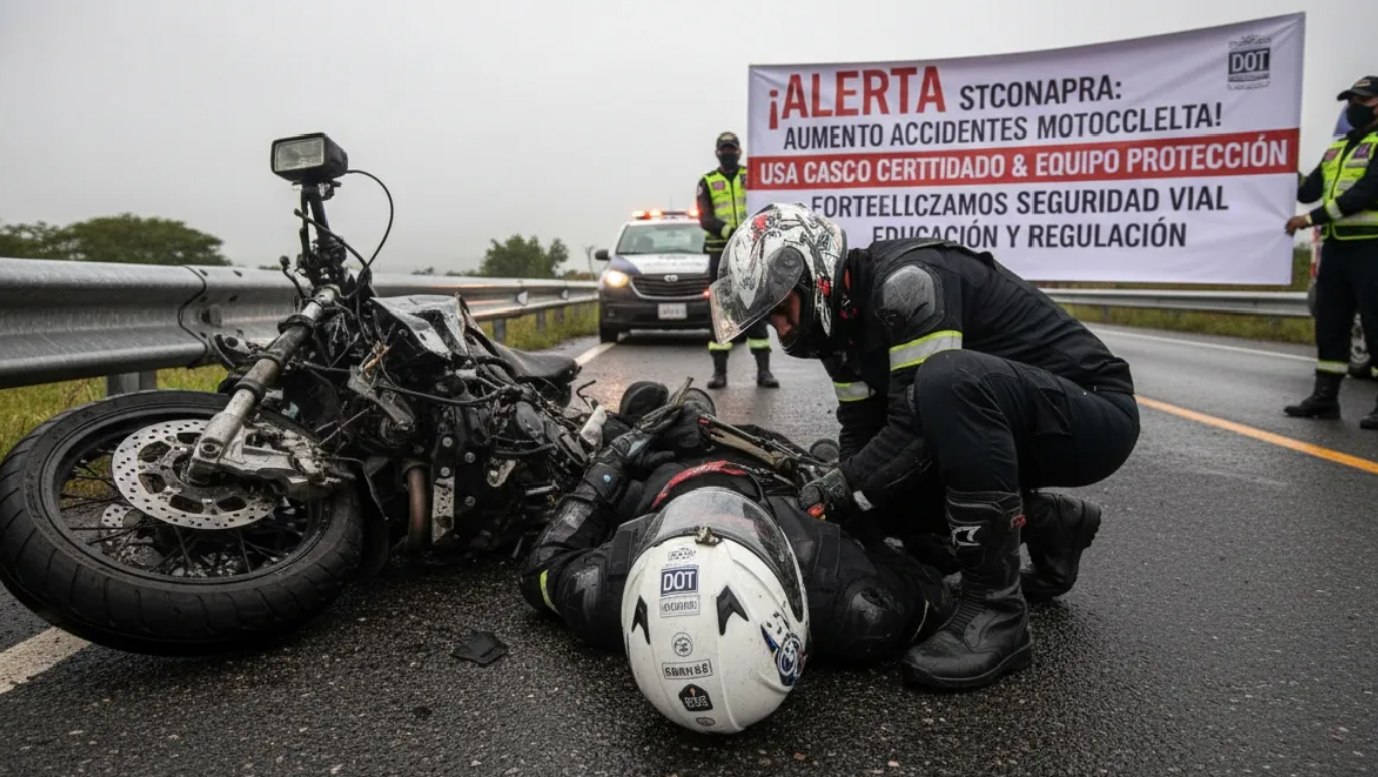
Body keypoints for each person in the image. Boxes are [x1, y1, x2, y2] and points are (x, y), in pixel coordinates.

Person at [707, 202, 1139, 691]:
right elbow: (863, 438)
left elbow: (913, 429)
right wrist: (845, 512)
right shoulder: (842, 335)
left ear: (815, 277)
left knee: (943, 382)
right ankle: (1051, 523)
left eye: (783, 310)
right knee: (875, 494)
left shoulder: (908, 284)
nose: (782, 331)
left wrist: (838, 492)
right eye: (771, 322)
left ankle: (997, 611)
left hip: (1095, 416)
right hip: (1013, 427)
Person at [519, 380, 1104, 731]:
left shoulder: (602, 591)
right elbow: (935, 579)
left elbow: (543, 564)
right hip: (786, 477)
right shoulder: (856, 607)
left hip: (659, 475)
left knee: (649, 404)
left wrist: (618, 455)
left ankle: (661, 416)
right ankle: (1053, 518)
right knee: (892, 502)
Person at [1285, 75, 1378, 429]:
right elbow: (1310, 190)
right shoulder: (1339, 148)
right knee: (1331, 323)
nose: (1354, 107)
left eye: (1363, 101)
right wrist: (1283, 169)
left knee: (1375, 324)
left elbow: (1365, 194)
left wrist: (1309, 219)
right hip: (1338, 248)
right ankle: (1325, 397)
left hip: (1372, 248)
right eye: (1351, 101)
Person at [696, 131, 777, 390]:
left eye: (732, 149)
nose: (728, 153)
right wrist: (730, 232)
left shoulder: (751, 177)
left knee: (755, 308)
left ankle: (764, 372)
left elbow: (766, 206)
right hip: (720, 253)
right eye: (724, 149)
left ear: (739, 152)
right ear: (718, 152)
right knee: (722, 311)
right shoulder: (707, 181)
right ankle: (720, 373)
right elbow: (704, 218)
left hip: (751, 252)